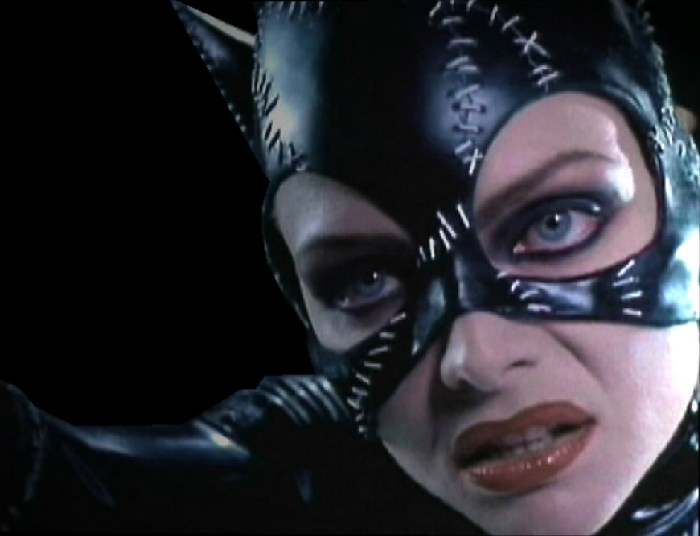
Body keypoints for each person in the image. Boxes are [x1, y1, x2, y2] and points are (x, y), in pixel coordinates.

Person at [1, 0, 698, 533]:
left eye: (556, 223)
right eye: (366, 281)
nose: (475, 360)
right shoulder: (326, 476)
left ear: (686, 186)